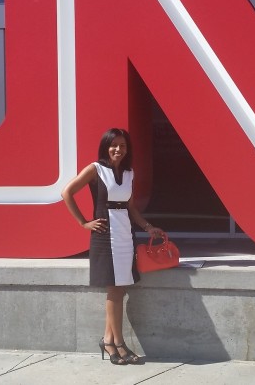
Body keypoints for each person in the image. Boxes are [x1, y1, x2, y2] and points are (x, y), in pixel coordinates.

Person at [60, 128, 164, 365]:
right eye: (113, 145)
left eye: (123, 146)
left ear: (128, 149)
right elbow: (67, 192)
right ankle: (118, 344)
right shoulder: (95, 169)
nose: (118, 149)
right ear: (106, 146)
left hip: (126, 236)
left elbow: (130, 207)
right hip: (105, 237)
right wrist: (84, 223)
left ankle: (108, 340)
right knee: (114, 292)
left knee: (120, 290)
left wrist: (148, 227)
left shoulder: (129, 173)